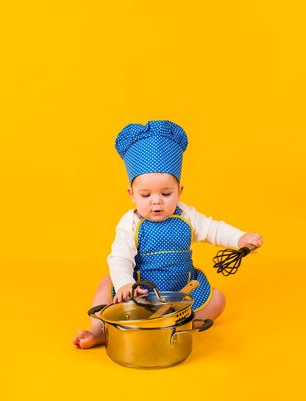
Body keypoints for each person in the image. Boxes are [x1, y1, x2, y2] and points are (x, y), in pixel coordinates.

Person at [72, 120, 263, 349]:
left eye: (166, 193)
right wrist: (125, 284)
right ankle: (100, 330)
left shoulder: (187, 215)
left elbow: (213, 229)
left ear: (179, 191)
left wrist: (240, 238)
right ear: (131, 194)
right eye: (145, 195)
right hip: (140, 295)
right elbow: (120, 258)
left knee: (218, 300)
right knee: (106, 284)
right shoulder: (130, 222)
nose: (156, 201)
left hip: (181, 291)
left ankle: (178, 322)